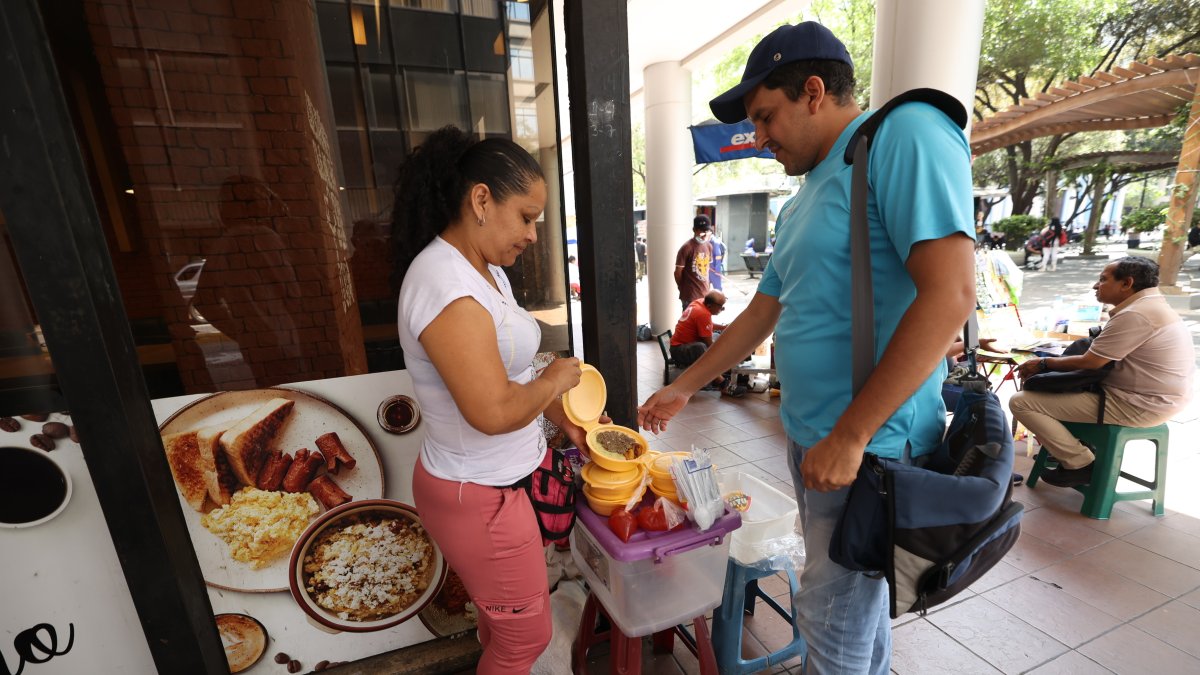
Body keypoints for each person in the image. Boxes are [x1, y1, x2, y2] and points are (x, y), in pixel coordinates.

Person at [637, 22, 975, 674]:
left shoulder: (904, 134)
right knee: (852, 609)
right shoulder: (805, 198)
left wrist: (852, 434)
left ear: (814, 92)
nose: (759, 138)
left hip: (869, 447)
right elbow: (762, 313)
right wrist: (684, 385)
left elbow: (950, 294)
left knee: (830, 618)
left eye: (766, 117)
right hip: (815, 438)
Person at [391, 126, 591, 674]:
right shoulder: (445, 285)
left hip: (496, 484)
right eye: (526, 217)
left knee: (504, 628)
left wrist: (563, 416)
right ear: (481, 200)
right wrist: (557, 381)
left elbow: (512, 370)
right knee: (524, 640)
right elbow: (493, 410)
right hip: (479, 495)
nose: (532, 234)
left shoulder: (486, 271)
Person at [1010, 257, 1194, 487]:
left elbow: (1092, 362)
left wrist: (1044, 363)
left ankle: (1080, 463)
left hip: (1139, 404)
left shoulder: (1136, 313)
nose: (1096, 286)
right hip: (1157, 399)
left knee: (1021, 402)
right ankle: (1076, 449)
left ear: (1126, 283)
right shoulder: (1151, 305)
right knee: (1056, 389)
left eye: (1103, 279)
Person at [670, 291, 747, 397]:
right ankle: (723, 385)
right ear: (710, 305)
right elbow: (710, 345)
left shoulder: (699, 303)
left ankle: (725, 372)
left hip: (683, 345)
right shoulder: (702, 314)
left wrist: (724, 327)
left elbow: (707, 324)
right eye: (721, 307)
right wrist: (727, 353)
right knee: (702, 348)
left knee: (715, 336)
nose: (722, 309)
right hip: (679, 350)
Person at [674, 214, 713, 309]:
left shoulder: (708, 246)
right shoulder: (686, 247)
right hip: (690, 297)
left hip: (705, 295)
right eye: (701, 231)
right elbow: (677, 273)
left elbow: (707, 270)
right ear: (694, 230)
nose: (704, 234)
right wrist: (683, 288)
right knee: (690, 319)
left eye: (707, 231)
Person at [708, 226, 726, 291]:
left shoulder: (715, 242)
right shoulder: (707, 241)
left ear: (710, 232)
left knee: (717, 289)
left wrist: (717, 270)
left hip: (714, 269)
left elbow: (718, 256)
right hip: (708, 268)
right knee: (705, 288)